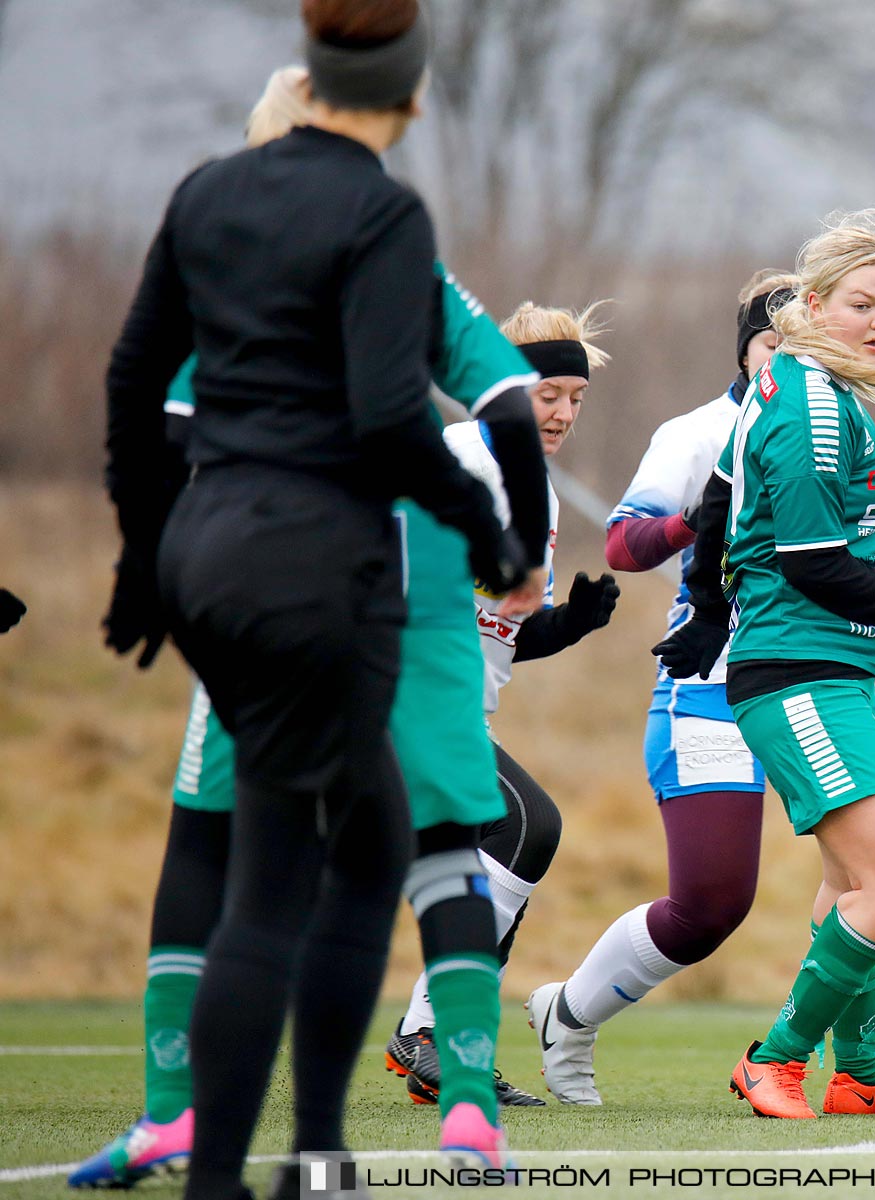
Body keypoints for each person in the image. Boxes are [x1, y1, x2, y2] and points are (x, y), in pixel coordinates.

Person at [77, 62, 555, 1188]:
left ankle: (179, 1120)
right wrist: (516, 546)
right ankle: (465, 1113)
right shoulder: (404, 252)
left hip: (266, 570)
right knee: (435, 838)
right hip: (419, 573)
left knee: (220, 839)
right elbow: (502, 400)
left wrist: (147, 561)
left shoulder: (227, 255)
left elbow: (157, 408)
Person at [523, 269, 875, 1114]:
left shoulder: (835, 408)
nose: (785, 353)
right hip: (716, 685)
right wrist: (710, 523)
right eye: (771, 341)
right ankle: (568, 1015)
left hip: (823, 671)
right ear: (761, 343)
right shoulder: (714, 428)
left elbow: (835, 533)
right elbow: (622, 545)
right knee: (712, 904)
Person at [385, 301, 620, 1104]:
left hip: (455, 704)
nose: (561, 412)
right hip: (404, 690)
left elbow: (507, 630)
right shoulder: (455, 455)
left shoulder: (537, 492)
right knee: (523, 826)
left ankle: (443, 1045)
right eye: (547, 393)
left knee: (504, 848)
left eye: (575, 399)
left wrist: (572, 623)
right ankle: (428, 1033)